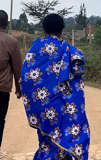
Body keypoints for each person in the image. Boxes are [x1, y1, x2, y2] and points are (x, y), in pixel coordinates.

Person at [20, 14, 90, 160]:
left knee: (47, 138)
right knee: (68, 133)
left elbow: (26, 77)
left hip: (45, 107)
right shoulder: (72, 51)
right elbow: (77, 77)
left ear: (44, 29)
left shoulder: (36, 48)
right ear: (62, 29)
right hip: (65, 106)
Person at [0, 10, 22, 158]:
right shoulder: (11, 42)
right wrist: (19, 90)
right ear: (6, 23)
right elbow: (17, 69)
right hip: (2, 90)